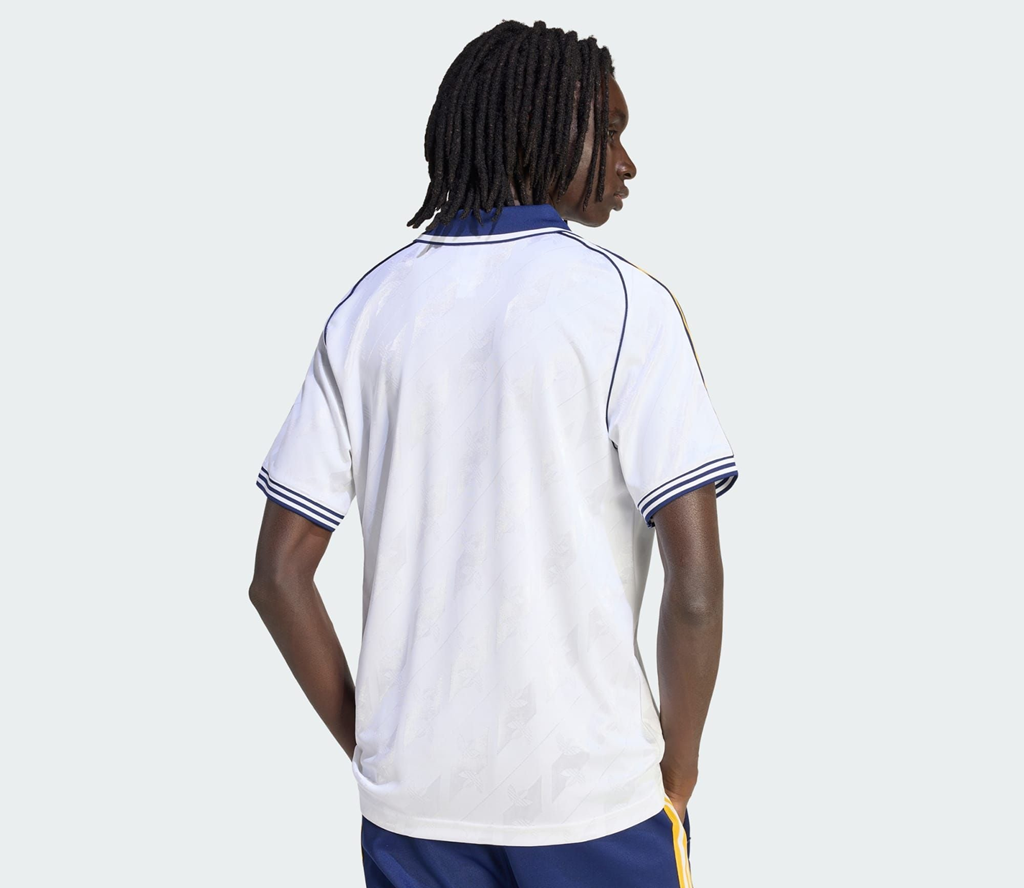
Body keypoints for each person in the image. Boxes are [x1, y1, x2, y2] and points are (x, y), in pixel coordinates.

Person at [249, 18, 739, 888]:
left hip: (414, 810)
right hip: (592, 801)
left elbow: (278, 575)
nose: (628, 163)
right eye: (610, 131)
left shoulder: (368, 311)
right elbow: (695, 587)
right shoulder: (625, 306)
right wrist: (681, 768)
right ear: (542, 127)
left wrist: (375, 746)